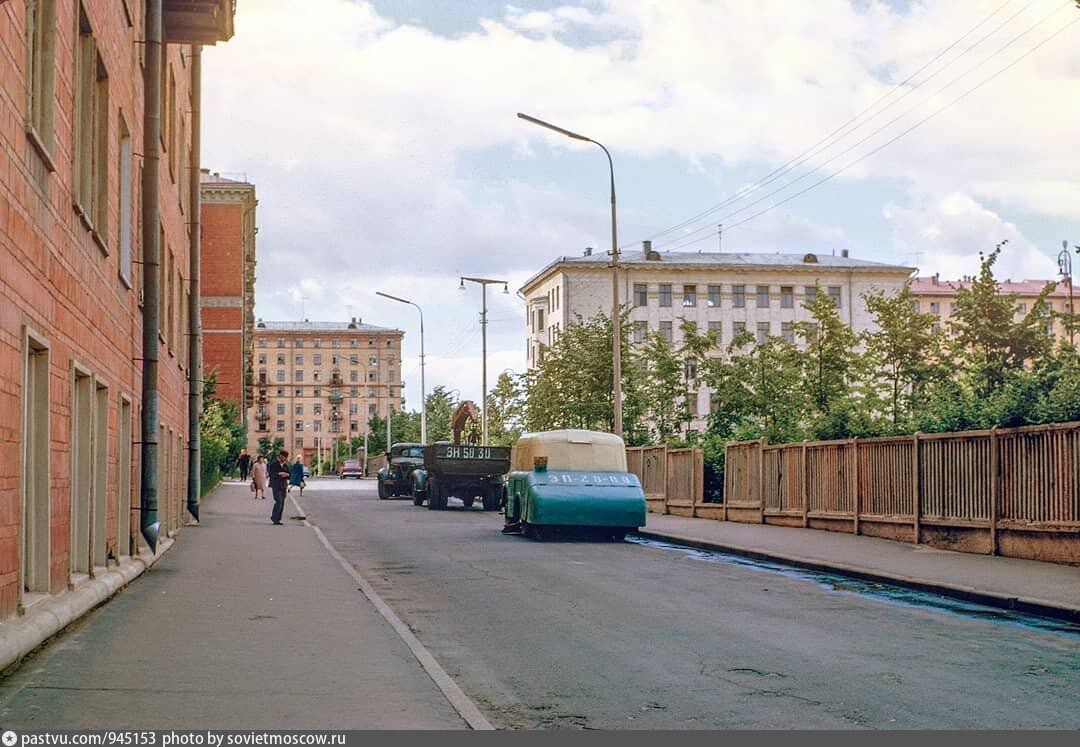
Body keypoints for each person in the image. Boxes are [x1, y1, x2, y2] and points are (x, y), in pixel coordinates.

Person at [269, 450, 291, 525]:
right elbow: (271, 474)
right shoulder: (273, 464)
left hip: (283, 486)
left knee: (282, 503)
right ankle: (274, 518)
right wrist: (279, 474)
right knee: (278, 501)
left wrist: (287, 475)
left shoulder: (286, 466)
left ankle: (278, 519)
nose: (282, 458)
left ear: (285, 458)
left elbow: (290, 475)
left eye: (284, 457)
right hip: (275, 485)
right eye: (281, 456)